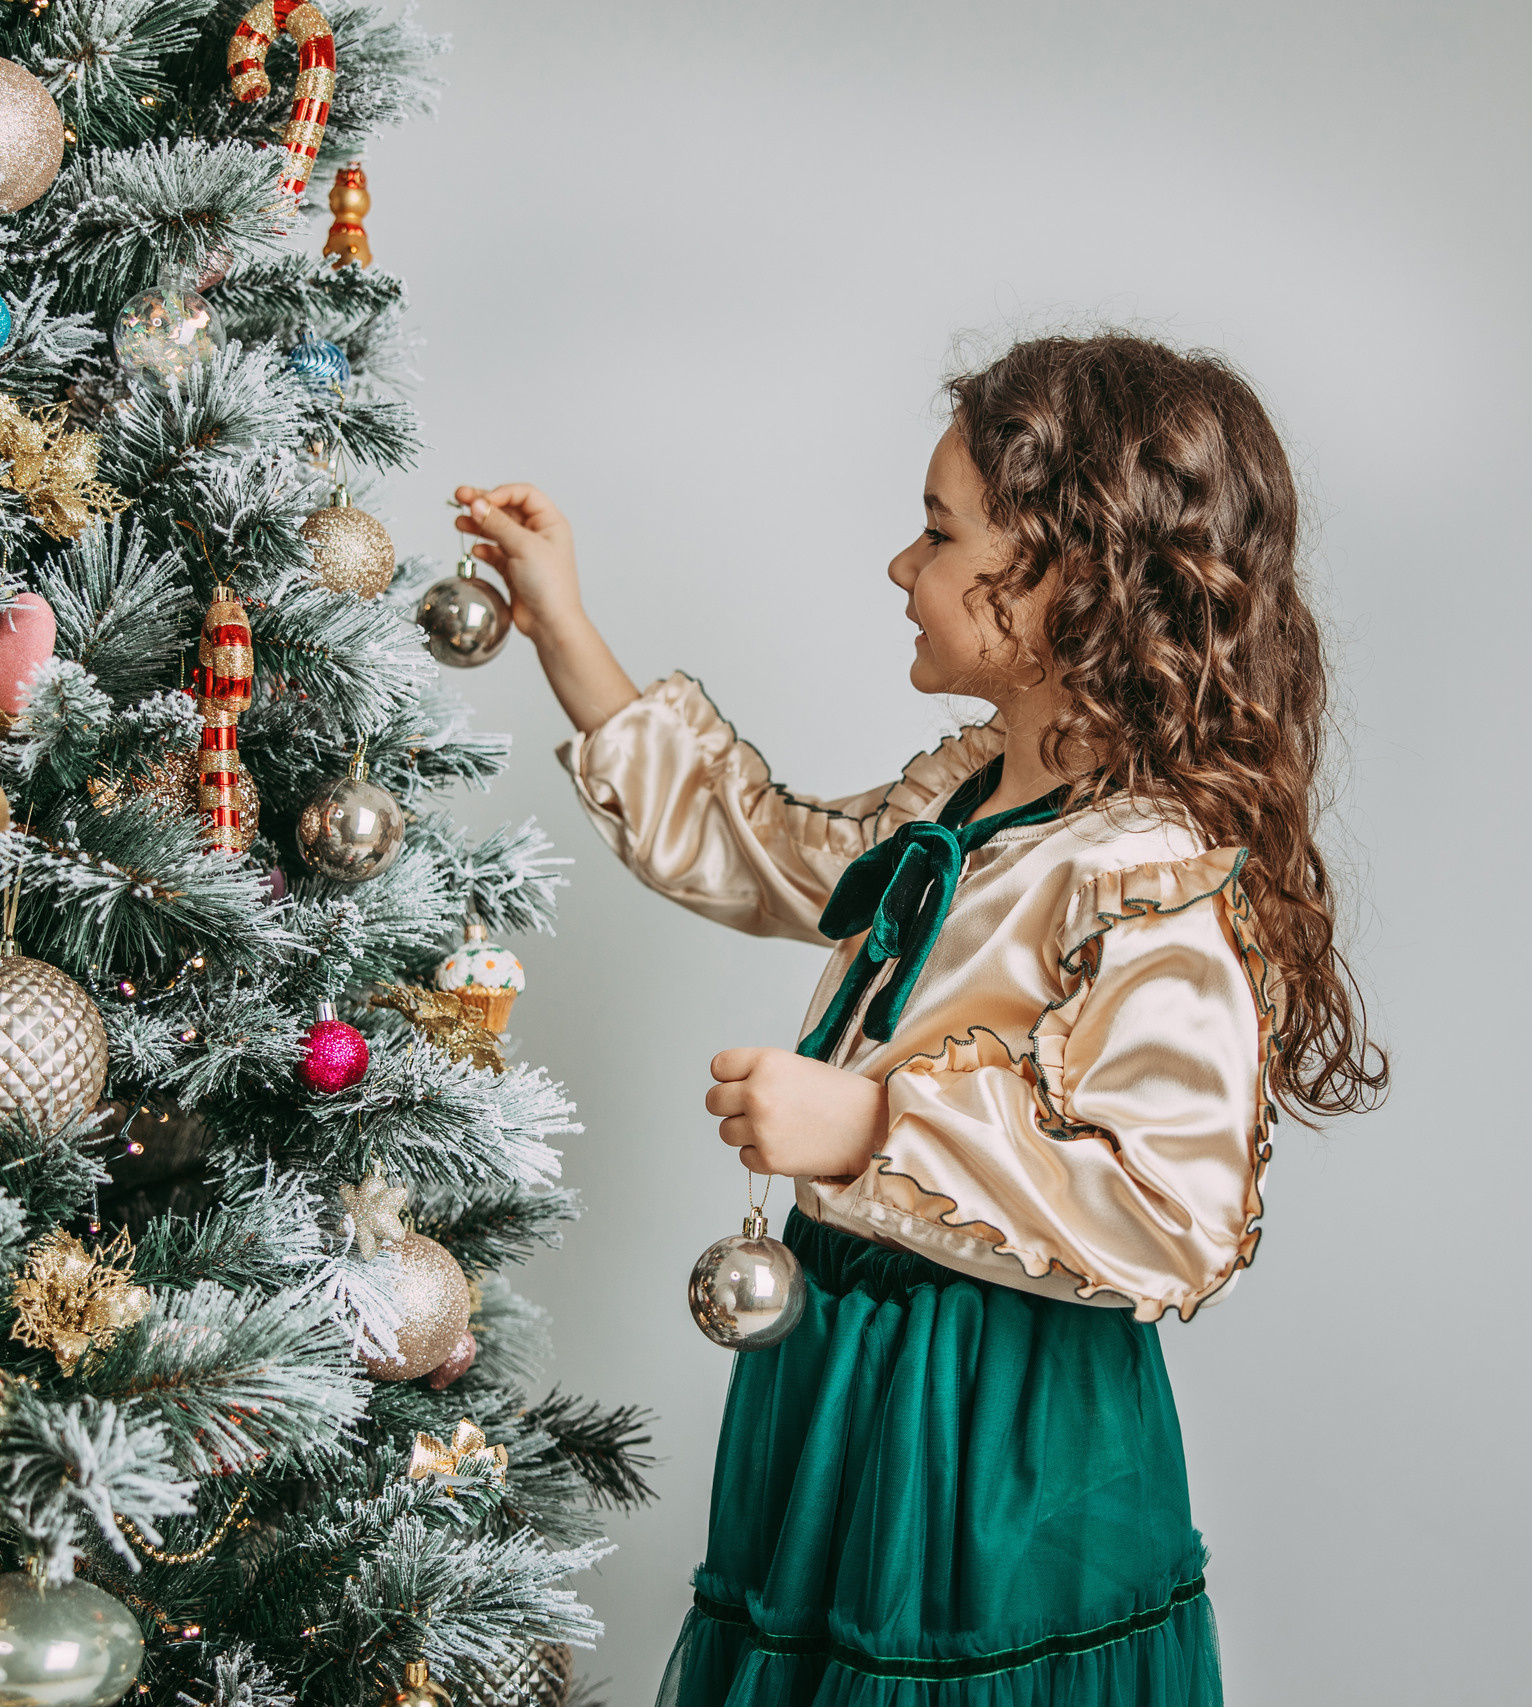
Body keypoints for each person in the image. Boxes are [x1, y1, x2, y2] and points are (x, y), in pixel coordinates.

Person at [454, 332, 1385, 1705]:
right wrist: (562, 628)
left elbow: (1173, 1211)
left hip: (990, 1428)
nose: (905, 568)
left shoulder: (1146, 868)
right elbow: (759, 847)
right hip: (847, 1380)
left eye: (941, 535)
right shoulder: (975, 798)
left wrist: (876, 1120)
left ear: (1075, 582)